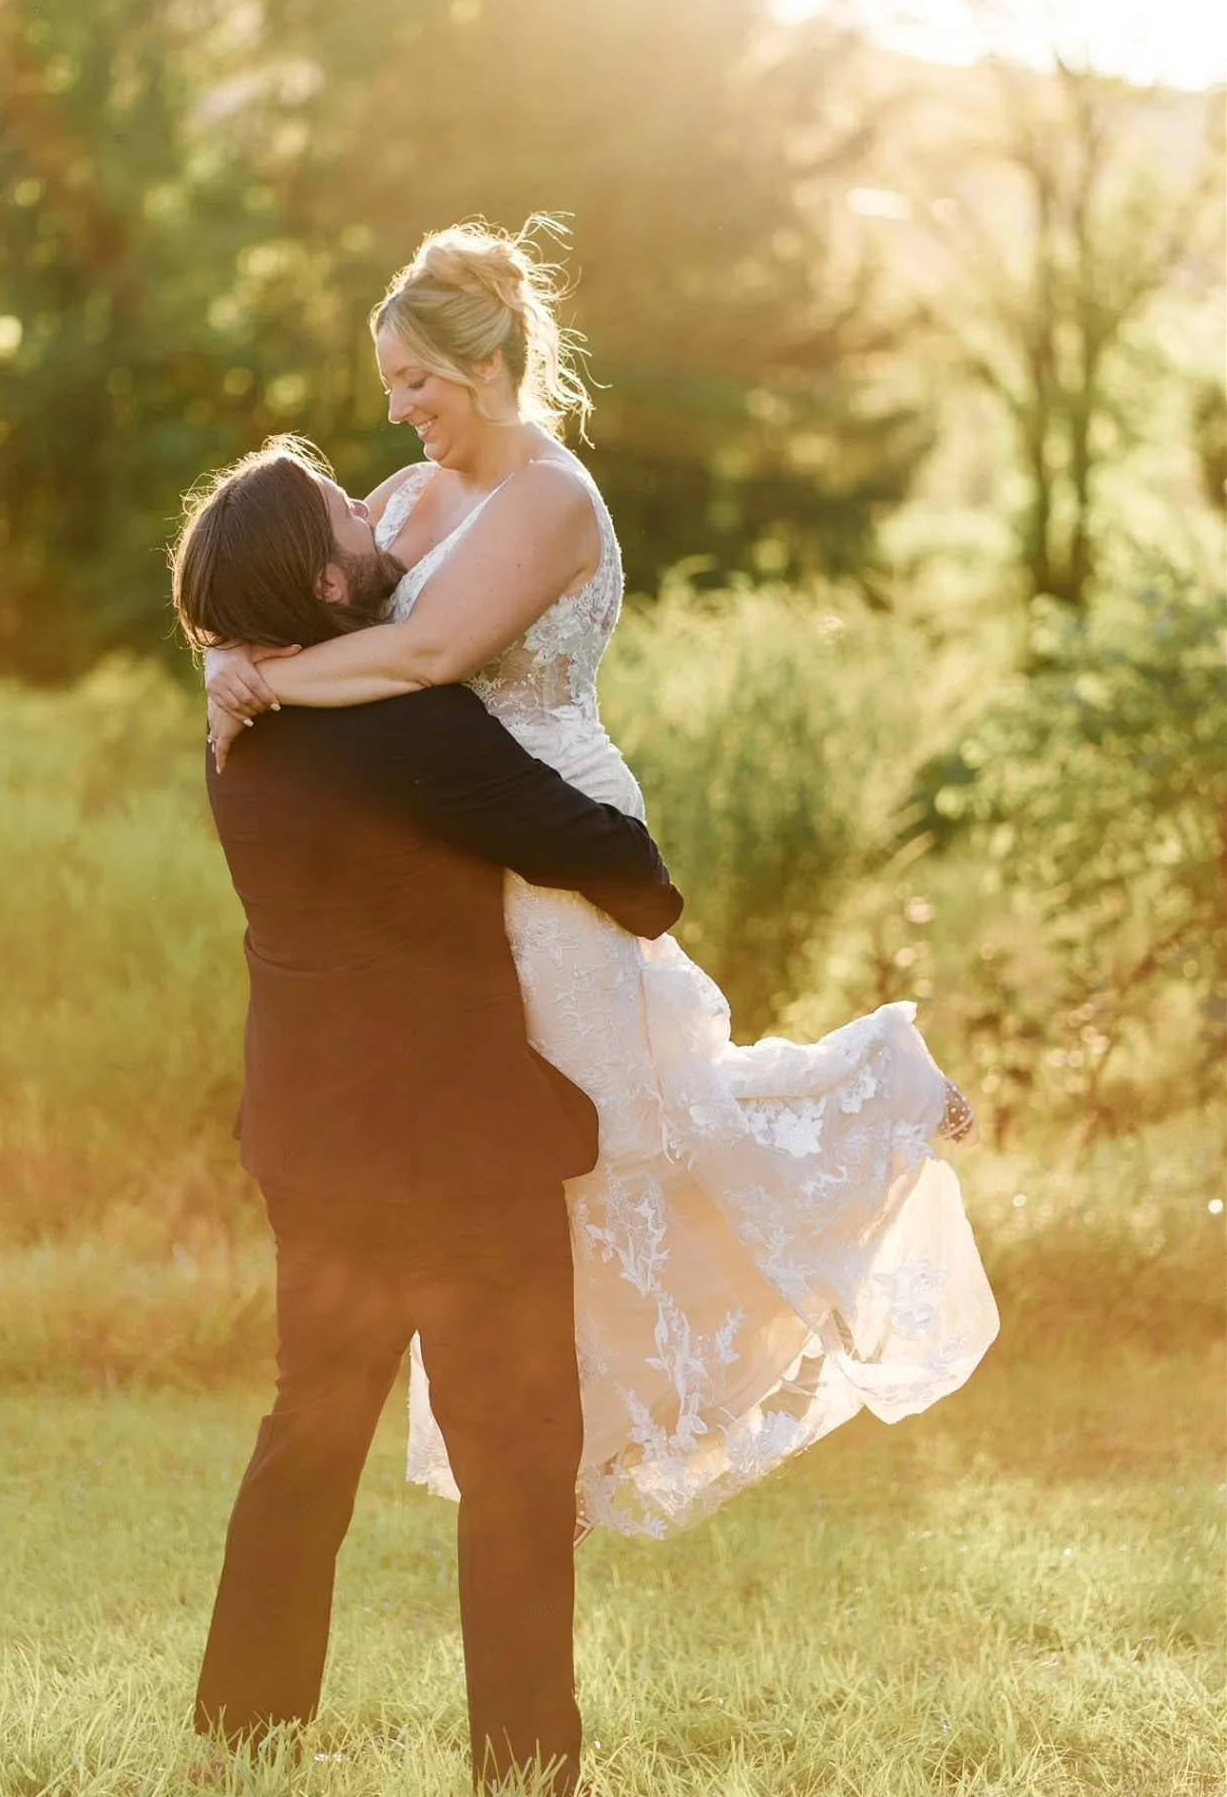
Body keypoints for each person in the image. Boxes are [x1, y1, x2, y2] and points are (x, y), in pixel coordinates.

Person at [205, 219, 999, 1543]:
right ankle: (553, 1444)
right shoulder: (401, 500)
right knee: (517, 1158)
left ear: (489, 364)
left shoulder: (551, 499)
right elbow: (307, 600)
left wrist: (262, 686)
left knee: (631, 1123)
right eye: (389, 383)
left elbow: (422, 658)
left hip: (549, 836)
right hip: (450, 850)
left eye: (416, 381)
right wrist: (229, 655)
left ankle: (879, 1090)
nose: (396, 412)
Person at [171, 433, 683, 1795]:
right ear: (328, 585)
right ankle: (524, 1764)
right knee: (518, 1453)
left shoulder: (239, 733)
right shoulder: (410, 728)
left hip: (309, 1138)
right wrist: (634, 865)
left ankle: (244, 1732)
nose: (372, 508)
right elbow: (621, 870)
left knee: (311, 1425)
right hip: (462, 1152)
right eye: (345, 511)